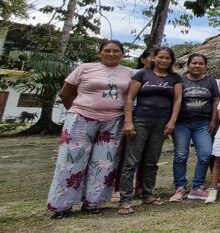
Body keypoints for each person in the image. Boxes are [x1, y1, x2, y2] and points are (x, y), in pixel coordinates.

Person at [47, 40, 135, 218]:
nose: (111, 54)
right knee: (70, 160)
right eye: (107, 51)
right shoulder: (85, 68)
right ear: (100, 53)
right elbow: (66, 93)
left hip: (113, 121)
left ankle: (93, 202)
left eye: (116, 51)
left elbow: (130, 97)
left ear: (123, 54)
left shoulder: (129, 72)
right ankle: (61, 205)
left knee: (104, 162)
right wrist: (79, 110)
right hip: (81, 118)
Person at [118, 47, 182, 214]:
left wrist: (172, 121)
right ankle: (125, 200)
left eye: (167, 58)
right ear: (154, 58)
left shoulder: (175, 78)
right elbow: (130, 97)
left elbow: (177, 101)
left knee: (152, 161)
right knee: (131, 160)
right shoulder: (142, 75)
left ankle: (148, 194)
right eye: (161, 57)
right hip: (140, 120)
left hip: (161, 122)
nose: (164, 61)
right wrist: (128, 121)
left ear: (171, 60)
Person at [170, 53, 220, 202]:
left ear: (205, 66)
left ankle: (197, 186)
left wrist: (213, 121)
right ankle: (180, 187)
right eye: (194, 63)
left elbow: (215, 100)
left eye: (200, 63)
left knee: (205, 153)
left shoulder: (210, 81)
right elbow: (175, 100)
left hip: (203, 123)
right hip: (182, 123)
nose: (197, 66)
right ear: (188, 64)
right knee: (180, 155)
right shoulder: (180, 80)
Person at [112, 48, 155, 203]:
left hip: (154, 119)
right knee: (128, 155)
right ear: (143, 59)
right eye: (153, 57)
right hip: (133, 117)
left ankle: (140, 187)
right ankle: (119, 188)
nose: (156, 60)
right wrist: (128, 120)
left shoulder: (164, 77)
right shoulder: (133, 73)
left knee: (148, 156)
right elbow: (127, 97)